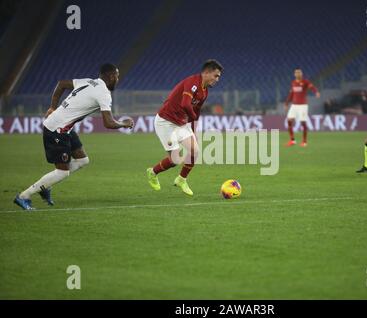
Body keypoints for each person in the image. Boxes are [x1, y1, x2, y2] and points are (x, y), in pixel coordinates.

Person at [14, 63, 134, 210]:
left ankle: (46, 184)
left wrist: (53, 107)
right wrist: (124, 123)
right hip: (56, 130)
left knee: (83, 160)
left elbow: (62, 84)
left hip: (65, 128)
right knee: (62, 173)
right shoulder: (103, 93)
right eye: (117, 76)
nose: (118, 79)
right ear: (111, 76)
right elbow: (108, 123)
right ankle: (23, 196)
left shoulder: (87, 81)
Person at [146, 59, 223, 196]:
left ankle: (181, 179)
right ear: (206, 72)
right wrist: (191, 119)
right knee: (175, 160)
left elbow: (196, 112)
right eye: (216, 75)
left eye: (218, 77)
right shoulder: (192, 82)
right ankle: (152, 172)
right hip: (166, 122)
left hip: (181, 123)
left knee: (195, 151)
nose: (217, 79)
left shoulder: (204, 92)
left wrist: (194, 130)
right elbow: (186, 105)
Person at [284, 68, 320, 147]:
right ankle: (292, 140)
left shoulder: (305, 82)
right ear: (294, 74)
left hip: (303, 105)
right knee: (289, 120)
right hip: (294, 105)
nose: (298, 74)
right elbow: (291, 94)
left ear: (301, 73)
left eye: (299, 72)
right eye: (296, 72)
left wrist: (316, 92)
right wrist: (286, 103)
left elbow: (312, 87)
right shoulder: (293, 83)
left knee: (303, 122)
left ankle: (304, 141)